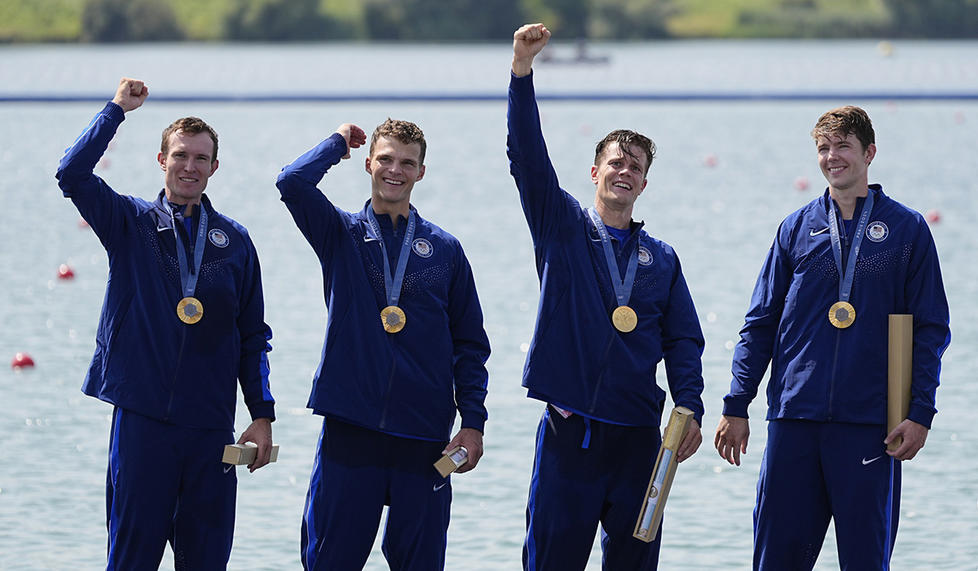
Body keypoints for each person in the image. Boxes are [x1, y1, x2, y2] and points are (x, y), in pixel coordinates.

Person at [714, 105, 951, 569]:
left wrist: (920, 411)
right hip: (794, 421)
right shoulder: (795, 228)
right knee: (777, 560)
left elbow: (931, 329)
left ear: (870, 153)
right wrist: (736, 404)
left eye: (843, 146)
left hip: (869, 427)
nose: (832, 157)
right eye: (823, 148)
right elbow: (759, 323)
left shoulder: (907, 229)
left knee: (865, 562)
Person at [55, 78, 276, 569]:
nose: (189, 167)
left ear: (215, 167)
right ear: (162, 160)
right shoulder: (129, 223)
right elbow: (71, 173)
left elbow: (252, 336)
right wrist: (116, 111)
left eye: (200, 158)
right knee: (132, 560)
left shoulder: (235, 242)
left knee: (206, 562)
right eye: (180, 155)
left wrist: (261, 415)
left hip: (211, 430)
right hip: (143, 424)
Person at [509, 24, 706, 570]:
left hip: (640, 442)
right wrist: (522, 73)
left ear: (644, 185)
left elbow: (683, 338)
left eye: (635, 167)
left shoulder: (661, 259)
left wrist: (688, 403)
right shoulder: (562, 227)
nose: (625, 171)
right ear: (595, 172)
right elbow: (526, 156)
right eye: (616, 162)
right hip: (569, 435)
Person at [276, 118, 491, 570]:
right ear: (369, 163)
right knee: (330, 560)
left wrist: (473, 421)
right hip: (351, 430)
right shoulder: (340, 234)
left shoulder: (446, 250)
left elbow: (470, 344)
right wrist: (337, 144)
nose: (395, 170)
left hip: (424, 437)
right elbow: (291, 183)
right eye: (387, 159)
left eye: (407, 163)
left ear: (421, 173)